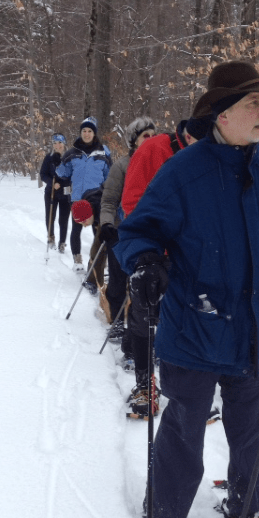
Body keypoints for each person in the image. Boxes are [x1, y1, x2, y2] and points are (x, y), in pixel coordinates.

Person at [112, 60, 259, 518]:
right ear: (223, 113)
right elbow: (139, 229)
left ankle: (246, 502)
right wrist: (144, 265)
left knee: (250, 429)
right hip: (194, 326)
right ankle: (164, 515)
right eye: (254, 102)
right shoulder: (183, 172)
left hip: (254, 328)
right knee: (185, 427)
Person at [117, 116, 212, 414]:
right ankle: (145, 386)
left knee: (196, 317)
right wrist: (150, 249)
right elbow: (132, 202)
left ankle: (191, 392)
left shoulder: (218, 153)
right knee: (147, 314)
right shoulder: (154, 150)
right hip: (156, 251)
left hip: (196, 253)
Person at [98, 117, 157, 353]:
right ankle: (115, 322)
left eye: (154, 136)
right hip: (122, 232)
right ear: (134, 140)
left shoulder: (162, 163)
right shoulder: (122, 166)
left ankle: (138, 334)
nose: (151, 141)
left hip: (151, 234)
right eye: (146, 136)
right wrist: (106, 225)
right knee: (118, 279)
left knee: (143, 287)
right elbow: (109, 200)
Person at [55, 117, 112, 271]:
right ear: (80, 132)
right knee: (76, 228)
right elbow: (63, 173)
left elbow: (109, 175)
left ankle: (99, 260)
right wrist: (59, 160)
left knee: (98, 230)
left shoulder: (103, 152)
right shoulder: (72, 152)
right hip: (78, 198)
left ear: (94, 133)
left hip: (98, 198)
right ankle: (77, 259)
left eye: (90, 131)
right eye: (84, 131)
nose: (86, 134)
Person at [39, 133, 70, 253]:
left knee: (64, 219)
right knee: (50, 216)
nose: (57, 146)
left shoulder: (69, 157)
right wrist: (52, 183)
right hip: (51, 192)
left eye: (60, 143)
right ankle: (51, 237)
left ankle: (62, 242)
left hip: (65, 192)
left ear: (64, 143)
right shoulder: (49, 158)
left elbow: (74, 174)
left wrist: (70, 185)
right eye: (55, 143)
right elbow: (43, 174)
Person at [71, 190, 104, 295]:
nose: (84, 226)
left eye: (84, 221)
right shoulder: (86, 200)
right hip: (99, 216)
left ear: (89, 215)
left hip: (116, 218)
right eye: (81, 223)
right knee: (97, 248)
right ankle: (92, 280)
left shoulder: (102, 209)